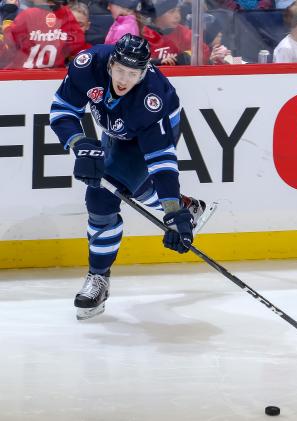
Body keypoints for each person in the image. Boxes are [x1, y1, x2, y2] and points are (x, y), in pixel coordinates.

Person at [49, 34, 212, 320]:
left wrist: (171, 211)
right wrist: (80, 144)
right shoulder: (88, 65)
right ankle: (187, 207)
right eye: (120, 71)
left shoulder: (153, 98)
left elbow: (161, 161)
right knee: (127, 189)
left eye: (133, 74)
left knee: (102, 196)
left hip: (145, 135)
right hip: (115, 130)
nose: (124, 80)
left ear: (145, 71)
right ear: (110, 62)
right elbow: (62, 111)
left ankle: (98, 277)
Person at [0, 0, 85, 69]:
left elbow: (10, 44)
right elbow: (77, 45)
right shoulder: (66, 14)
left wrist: (8, 17)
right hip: (53, 77)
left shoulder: (28, 14)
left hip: (23, 76)